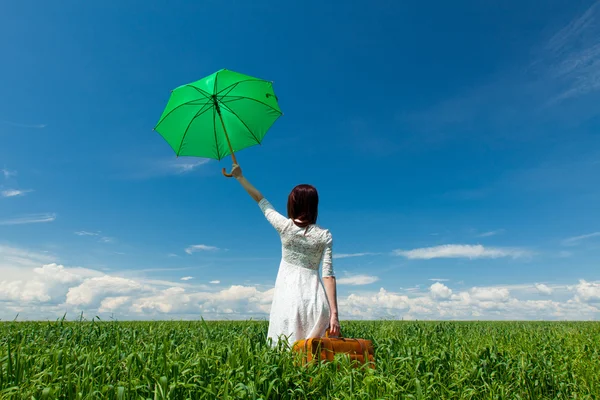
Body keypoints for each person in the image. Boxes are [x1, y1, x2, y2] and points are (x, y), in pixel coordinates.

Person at [231, 164, 340, 347]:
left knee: (286, 355)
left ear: (292, 204)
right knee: (314, 359)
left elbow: (261, 200)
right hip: (315, 302)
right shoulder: (324, 235)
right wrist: (334, 314)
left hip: (288, 299)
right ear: (314, 206)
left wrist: (240, 177)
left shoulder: (285, 227)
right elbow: (328, 275)